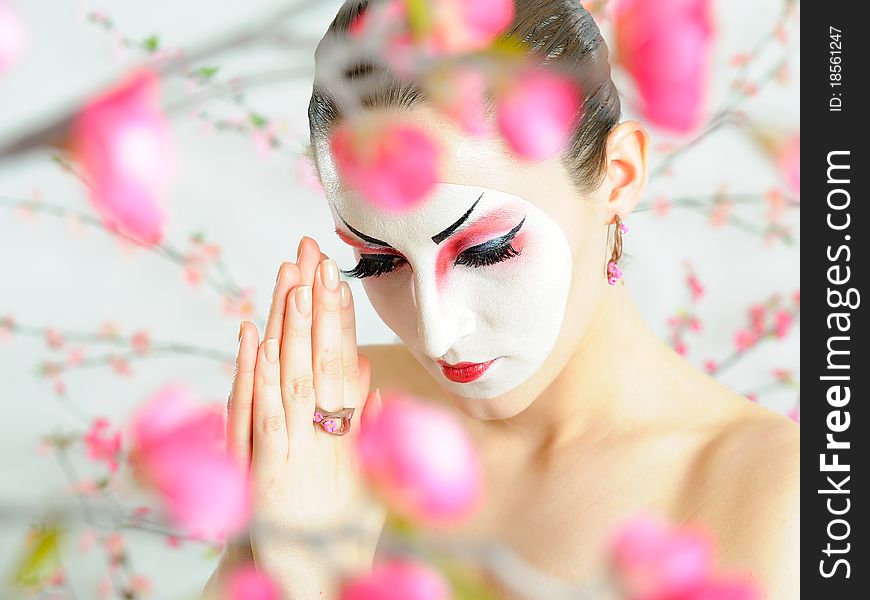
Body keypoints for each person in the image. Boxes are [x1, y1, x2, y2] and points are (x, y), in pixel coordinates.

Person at [204, 1, 799, 598]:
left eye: (485, 251)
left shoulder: (780, 499)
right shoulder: (323, 424)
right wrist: (266, 557)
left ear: (618, 175)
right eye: (378, 262)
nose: (435, 332)